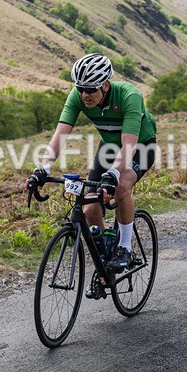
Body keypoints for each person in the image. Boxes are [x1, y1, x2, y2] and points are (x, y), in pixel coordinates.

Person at [27, 53, 158, 271]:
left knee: (121, 186)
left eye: (90, 89)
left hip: (140, 146)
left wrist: (113, 175)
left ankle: (124, 247)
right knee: (89, 206)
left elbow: (129, 146)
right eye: (80, 88)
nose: (84, 94)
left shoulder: (129, 96)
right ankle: (104, 257)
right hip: (108, 146)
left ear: (105, 85)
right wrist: (43, 168)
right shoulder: (78, 96)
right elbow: (60, 134)